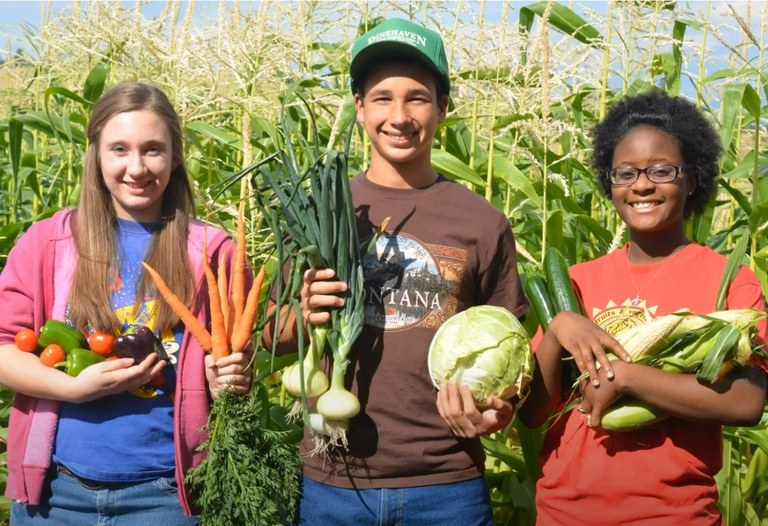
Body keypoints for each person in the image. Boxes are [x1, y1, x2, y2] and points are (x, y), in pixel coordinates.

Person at [284, 17, 529, 525]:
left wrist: (498, 410)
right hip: (334, 482)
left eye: (417, 97)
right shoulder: (323, 209)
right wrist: (305, 314)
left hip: (446, 485)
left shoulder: (480, 221)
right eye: (382, 97)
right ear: (359, 107)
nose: (399, 115)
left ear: (443, 107)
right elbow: (272, 334)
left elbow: (514, 347)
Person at [0, 82, 252, 525]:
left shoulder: (213, 251)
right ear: (96, 154)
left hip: (166, 495)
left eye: (153, 149)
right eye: (119, 149)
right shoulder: (47, 243)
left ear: (175, 157)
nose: (136, 167)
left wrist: (227, 376)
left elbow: (235, 356)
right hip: (56, 493)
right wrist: (73, 388)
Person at [518, 90, 768, 525]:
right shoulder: (577, 281)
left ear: (692, 180)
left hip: (672, 514)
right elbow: (534, 412)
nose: (642, 185)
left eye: (661, 170)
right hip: (563, 513)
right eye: (625, 173)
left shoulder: (726, 279)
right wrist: (558, 327)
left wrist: (627, 376)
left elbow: (746, 402)